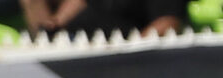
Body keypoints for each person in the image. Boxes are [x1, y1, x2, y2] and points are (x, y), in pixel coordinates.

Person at [21, 0, 190, 38]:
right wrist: (56, 23)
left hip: (113, 54)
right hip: (74, 40)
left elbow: (166, 23)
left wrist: (129, 53)